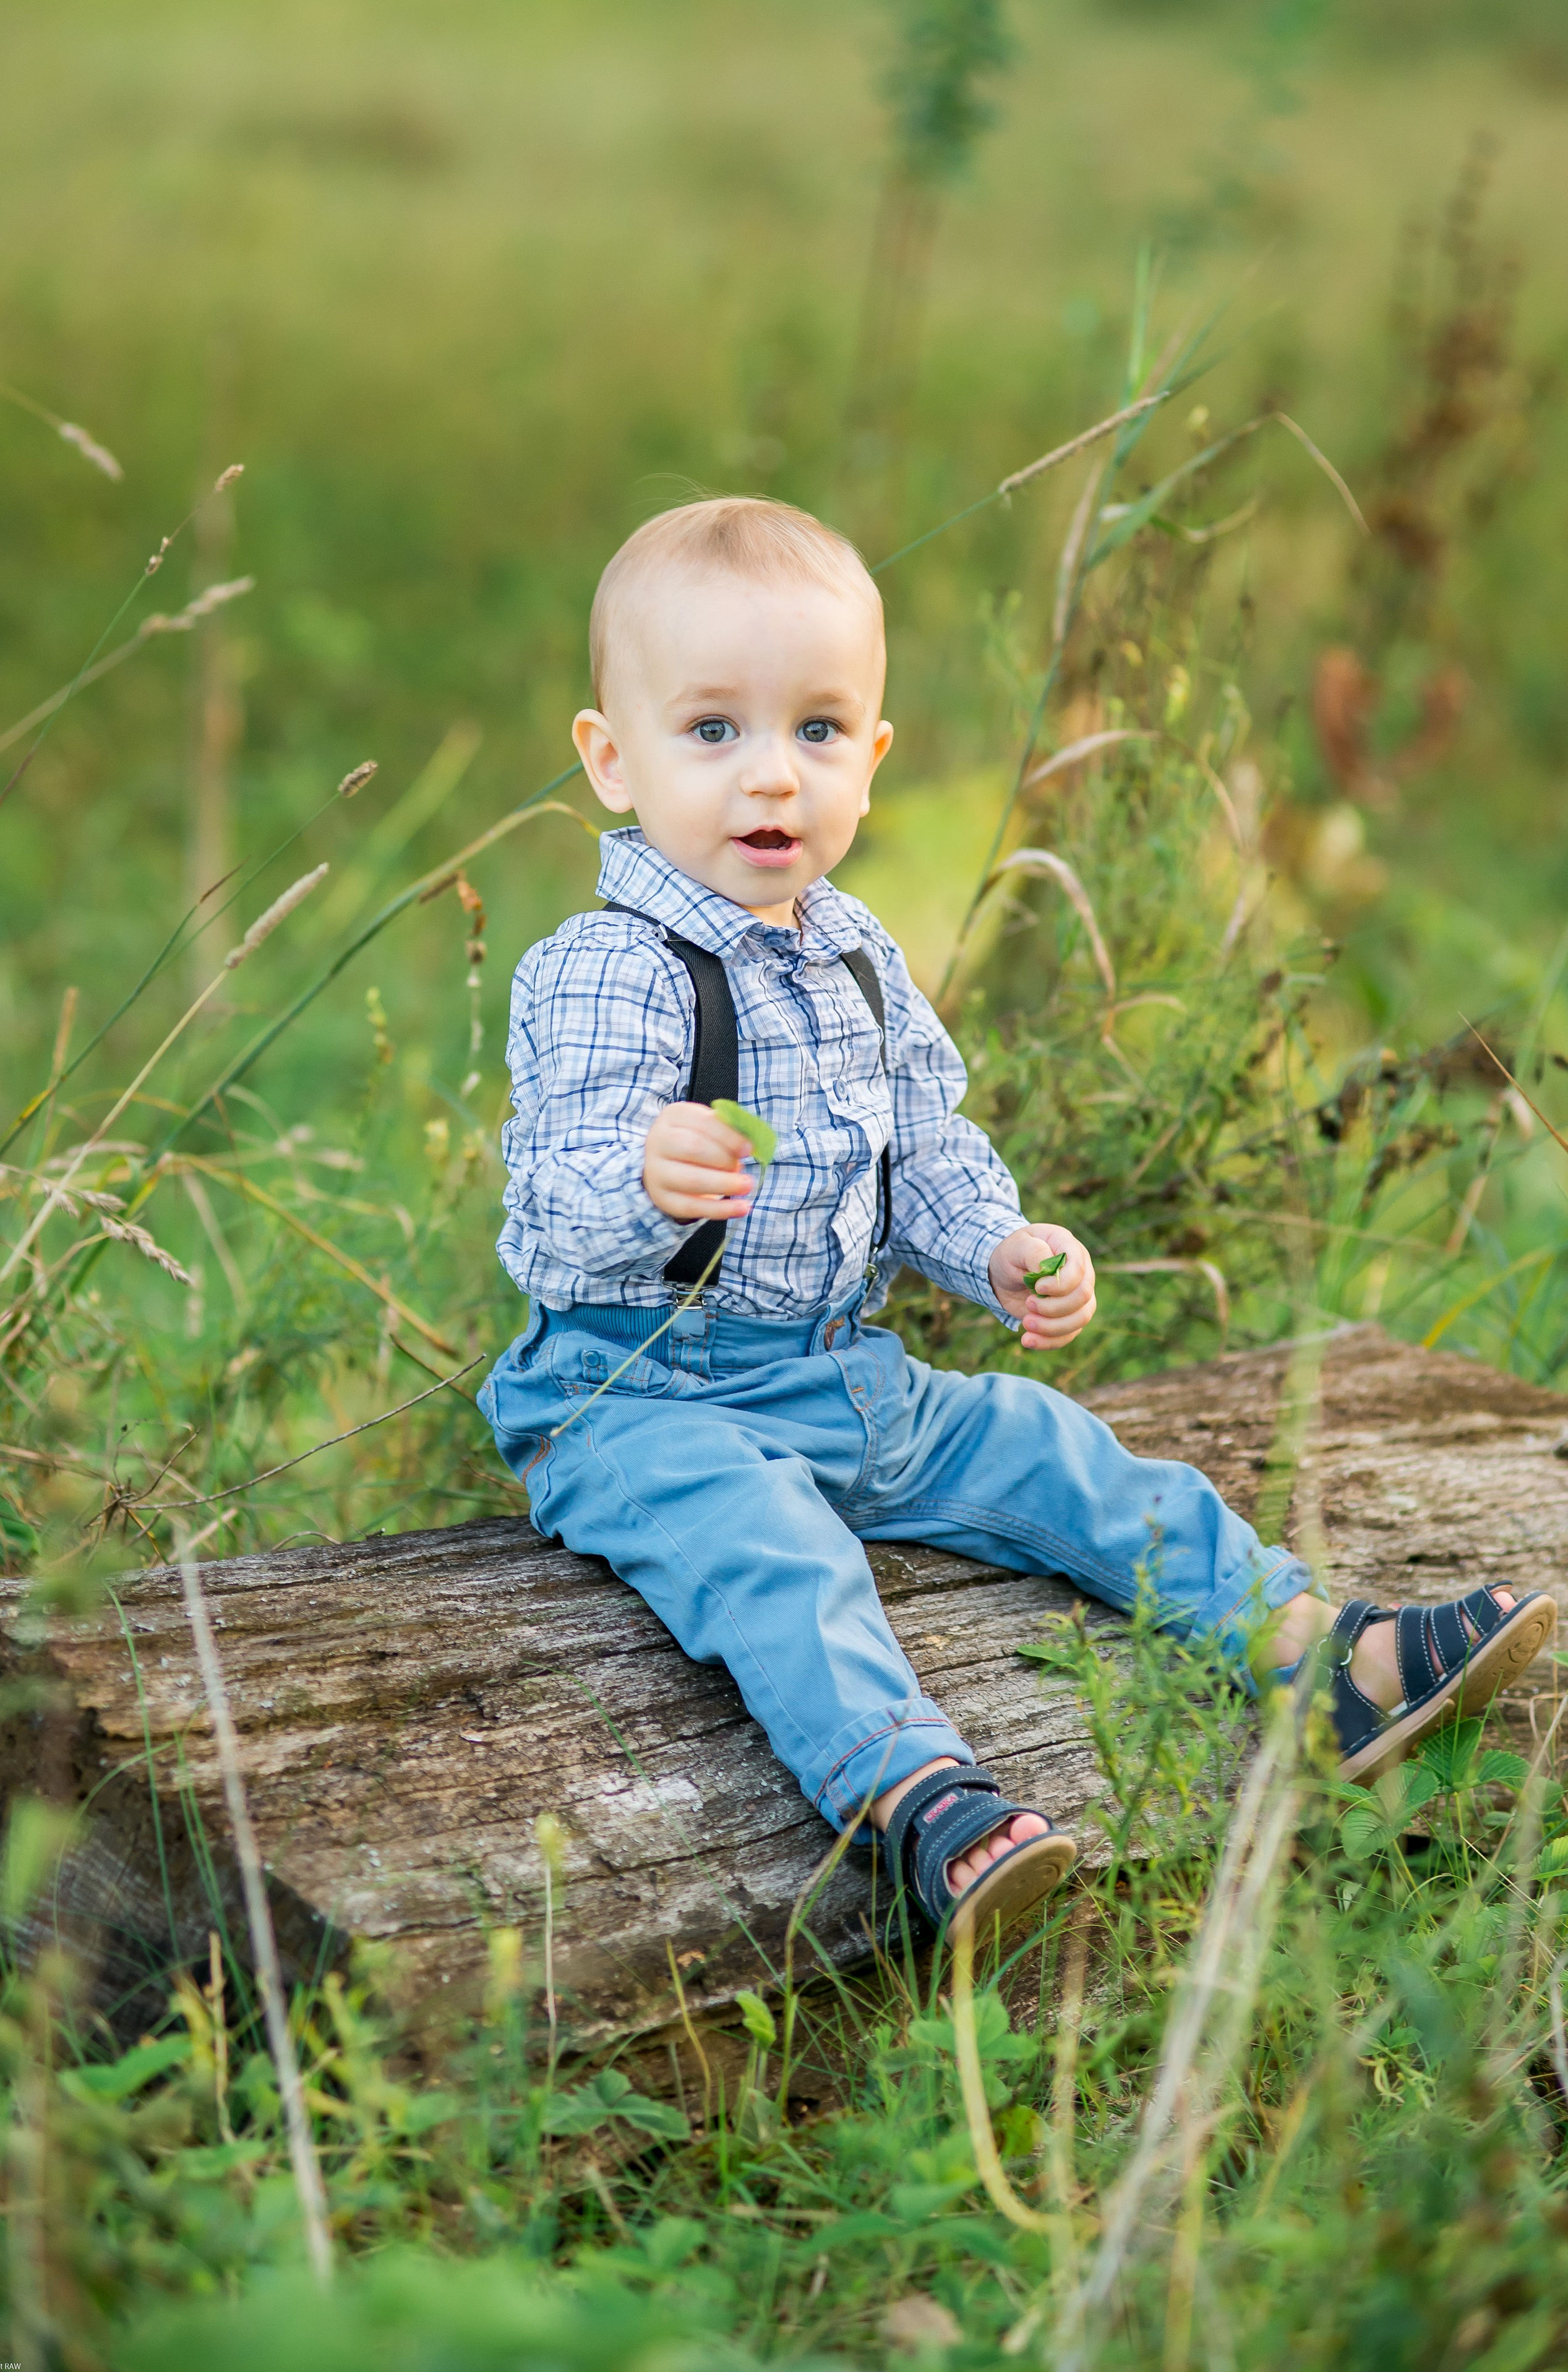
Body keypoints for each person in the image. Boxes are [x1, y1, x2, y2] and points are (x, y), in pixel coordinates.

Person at [479, 496, 1554, 1946]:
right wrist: (639, 1171)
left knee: (1057, 1450)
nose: (768, 780)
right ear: (613, 761)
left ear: (869, 760)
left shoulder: (858, 956)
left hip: (838, 1373)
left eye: (813, 732)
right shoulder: (604, 969)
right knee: (772, 1548)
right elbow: (542, 1198)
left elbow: (920, 1147)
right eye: (711, 731)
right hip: (633, 1396)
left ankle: (1325, 1654)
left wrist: (994, 1244)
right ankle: (921, 1805)